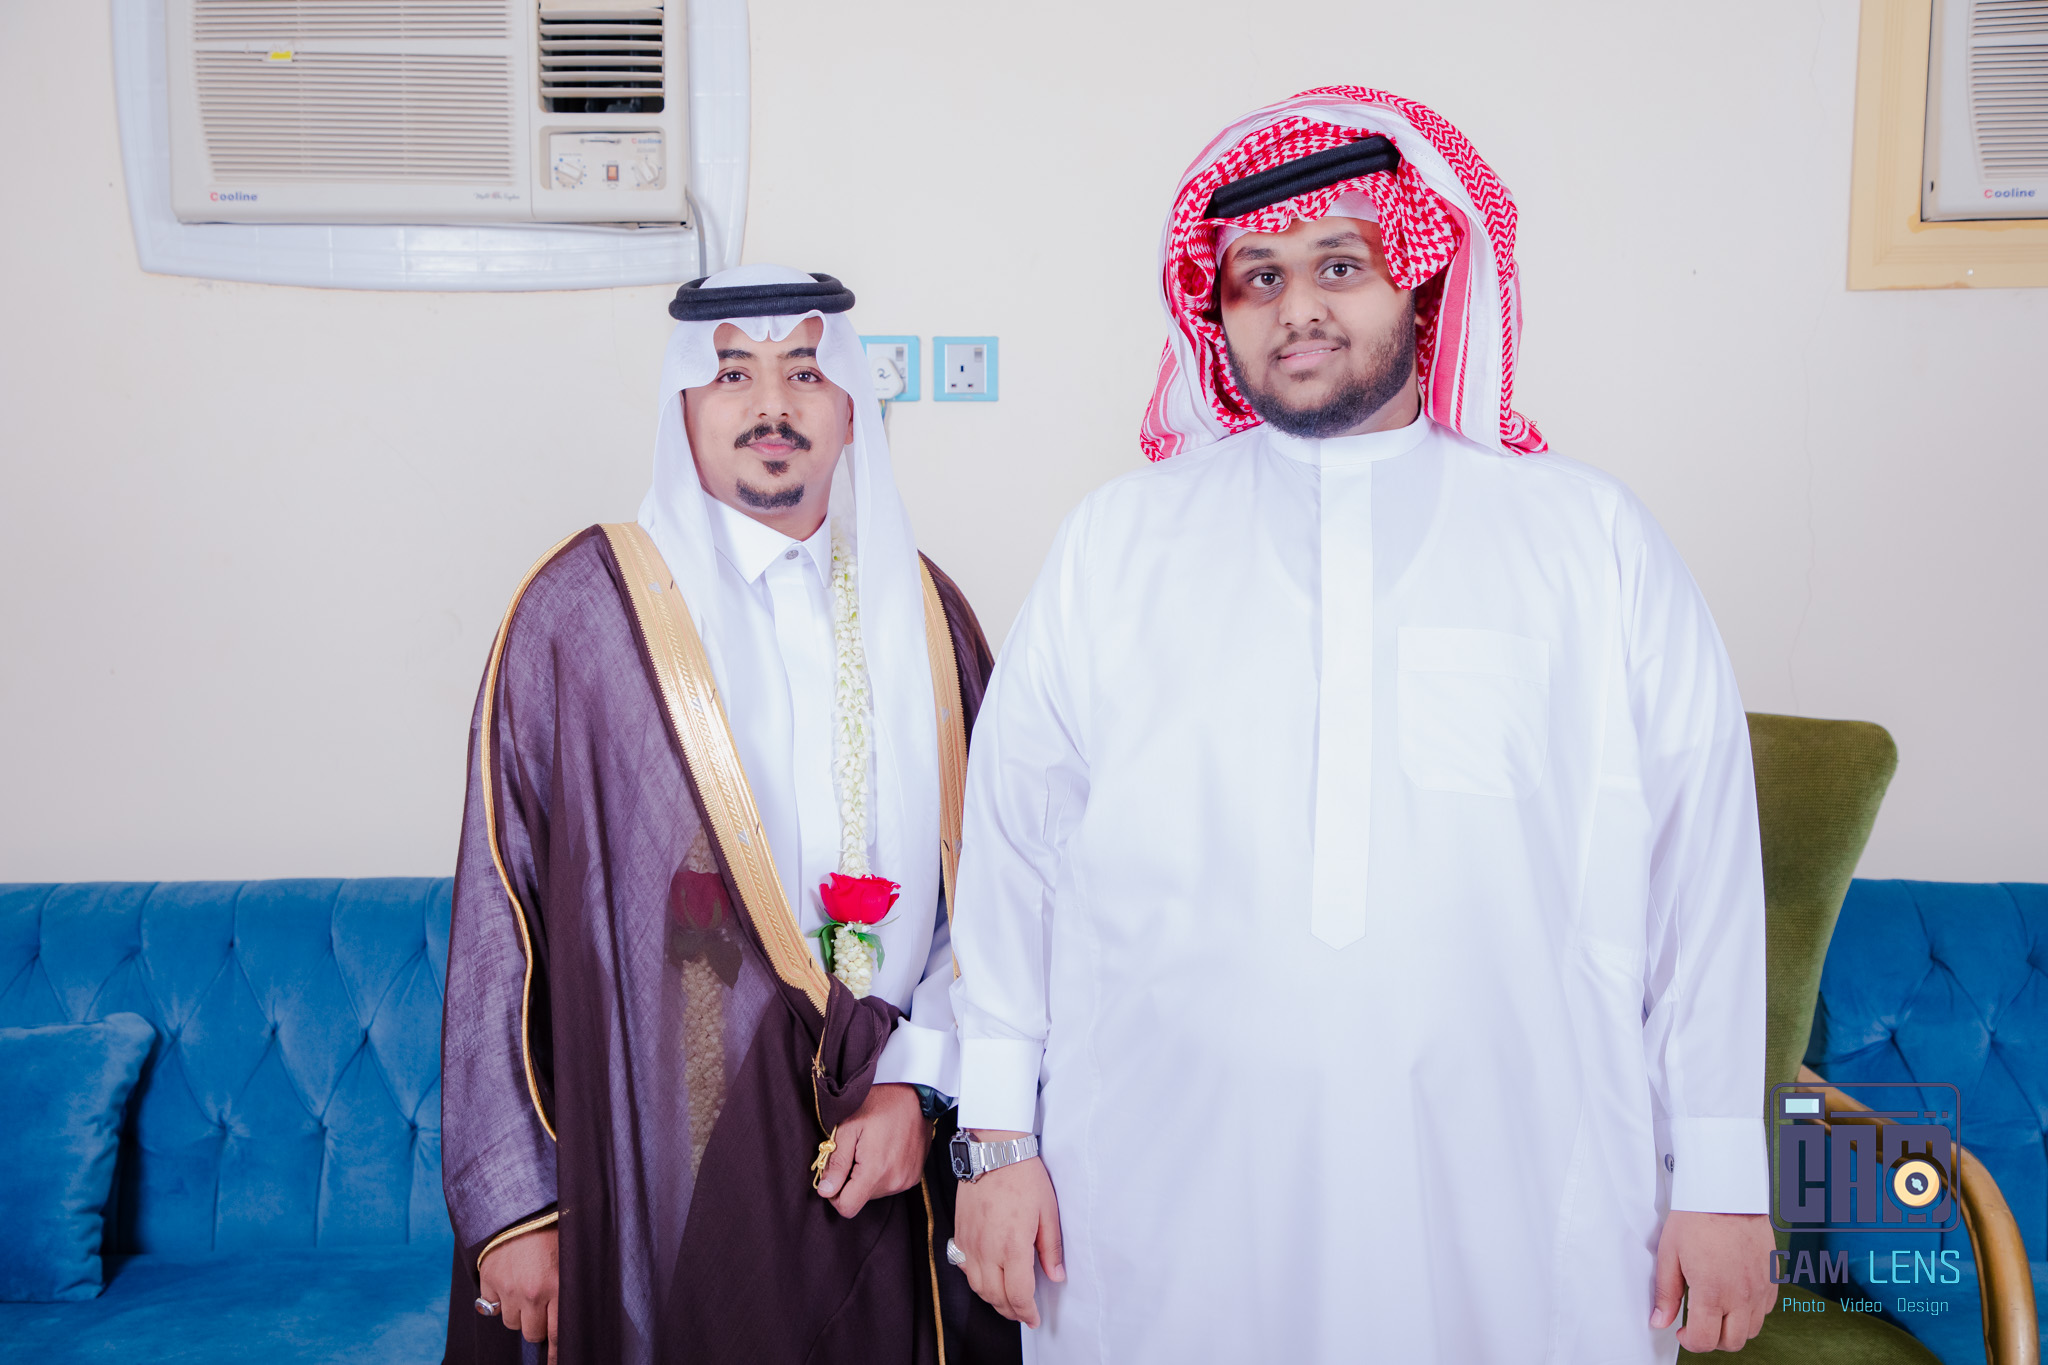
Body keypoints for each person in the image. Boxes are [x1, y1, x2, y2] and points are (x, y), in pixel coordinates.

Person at [945, 88, 1775, 1362]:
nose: (1297, 307)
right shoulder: (1117, 543)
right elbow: (1014, 858)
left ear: (1419, 283)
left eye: (1339, 264)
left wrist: (1718, 1173)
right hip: (1163, 1184)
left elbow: (1699, 871)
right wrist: (996, 1141)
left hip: (1512, 1181)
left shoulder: (1583, 538)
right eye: (1257, 277)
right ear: (1216, 311)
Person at [441, 264, 1017, 1365]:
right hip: (659, 1151)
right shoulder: (584, 613)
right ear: (683, 408)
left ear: (849, 408)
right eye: (732, 375)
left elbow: (990, 893)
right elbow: (500, 917)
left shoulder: (928, 615)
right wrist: (519, 1209)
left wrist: (917, 1082)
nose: (771, 406)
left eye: (804, 372)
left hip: (887, 1146)